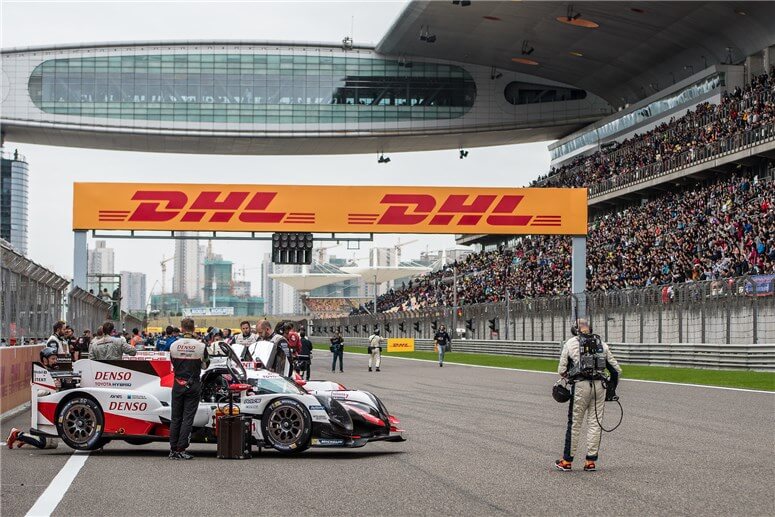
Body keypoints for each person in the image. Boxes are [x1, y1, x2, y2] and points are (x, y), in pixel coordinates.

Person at [555, 319, 622, 472]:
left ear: (574, 329)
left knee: (575, 424)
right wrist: (611, 389)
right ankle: (590, 462)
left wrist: (570, 377)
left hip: (580, 386)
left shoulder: (570, 343)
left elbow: (561, 369)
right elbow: (616, 370)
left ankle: (567, 461)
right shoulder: (601, 343)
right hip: (600, 386)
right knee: (595, 423)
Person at [169, 318, 209, 460]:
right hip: (193, 384)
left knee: (175, 418)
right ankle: (181, 449)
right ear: (193, 329)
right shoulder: (200, 346)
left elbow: (172, 362)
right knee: (187, 418)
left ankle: (173, 449)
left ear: (181, 328)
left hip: (177, 384)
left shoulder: (173, 345)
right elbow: (205, 365)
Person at [6, 347, 61, 449]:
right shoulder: (38, 373)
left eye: (56, 359)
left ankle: (28, 439)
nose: (55, 361)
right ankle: (17, 434)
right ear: (45, 360)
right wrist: (51, 388)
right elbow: (35, 392)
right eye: (53, 359)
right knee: (43, 443)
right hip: (40, 408)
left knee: (53, 445)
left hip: (51, 407)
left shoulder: (55, 372)